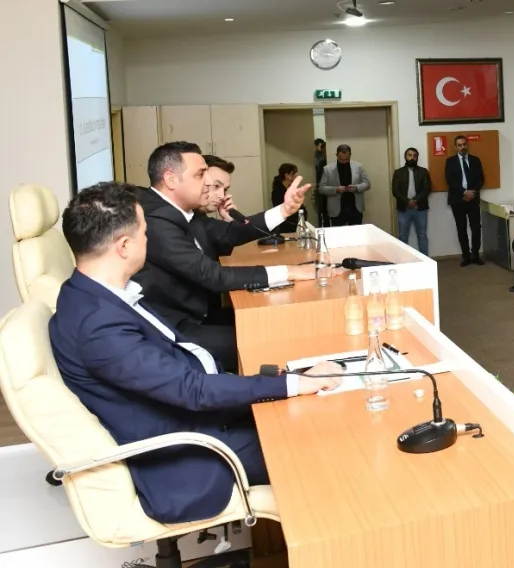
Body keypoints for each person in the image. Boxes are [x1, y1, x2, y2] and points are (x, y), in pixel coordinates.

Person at [48, 182, 343, 525]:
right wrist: (293, 383)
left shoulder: (94, 295)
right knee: (329, 440)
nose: (149, 240)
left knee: (319, 409)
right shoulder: (97, 324)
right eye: (145, 233)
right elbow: (191, 391)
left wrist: (286, 381)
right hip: (192, 449)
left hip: (201, 413)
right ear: (124, 246)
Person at [132, 143, 314, 369]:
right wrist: (289, 272)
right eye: (200, 175)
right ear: (171, 180)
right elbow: (212, 275)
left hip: (197, 314)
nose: (207, 183)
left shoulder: (180, 211)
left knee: (273, 321)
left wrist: (284, 210)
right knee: (265, 339)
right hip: (173, 329)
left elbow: (228, 233)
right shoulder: (155, 219)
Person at [445, 135, 485, 265]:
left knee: (476, 228)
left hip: (473, 199)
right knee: (461, 228)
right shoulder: (450, 161)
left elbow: (481, 179)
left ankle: (475, 255)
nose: (462, 147)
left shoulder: (475, 160)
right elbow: (450, 180)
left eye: (464, 144)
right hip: (458, 199)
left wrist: (472, 193)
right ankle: (466, 256)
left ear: (467, 145)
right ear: (456, 147)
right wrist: (464, 192)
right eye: (460, 145)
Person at [318, 144, 370, 227]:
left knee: (357, 233)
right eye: (341, 159)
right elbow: (321, 188)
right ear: (336, 155)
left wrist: (356, 188)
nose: (344, 162)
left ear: (350, 155)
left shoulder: (359, 167)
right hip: (336, 209)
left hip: (355, 208)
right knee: (338, 233)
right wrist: (336, 189)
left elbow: (367, 184)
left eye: (346, 159)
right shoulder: (328, 169)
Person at [392, 147, 431, 255]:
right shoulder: (398, 172)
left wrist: (415, 200)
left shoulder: (423, 171)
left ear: (417, 157)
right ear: (405, 157)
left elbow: (427, 188)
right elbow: (395, 191)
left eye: (414, 156)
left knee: (422, 235)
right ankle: (403, 260)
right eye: (409, 155)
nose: (412, 158)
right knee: (403, 236)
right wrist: (407, 201)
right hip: (404, 209)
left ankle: (425, 260)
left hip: (420, 209)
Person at [270, 162, 300, 233]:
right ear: (286, 175)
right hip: (286, 226)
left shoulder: (290, 189)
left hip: (295, 224)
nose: (295, 177)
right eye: (293, 174)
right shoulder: (278, 191)